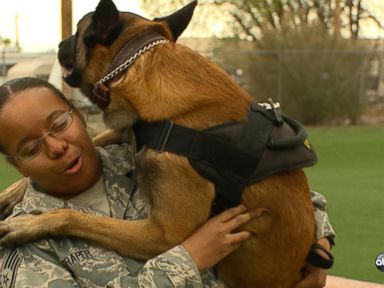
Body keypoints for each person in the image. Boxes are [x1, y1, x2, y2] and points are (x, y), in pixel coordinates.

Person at [0, 77, 335, 288]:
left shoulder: (154, 154)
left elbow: (285, 191)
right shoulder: (21, 239)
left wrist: (317, 247)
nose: (56, 147)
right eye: (31, 148)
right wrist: (188, 258)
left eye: (59, 123)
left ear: (78, 113)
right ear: (17, 166)